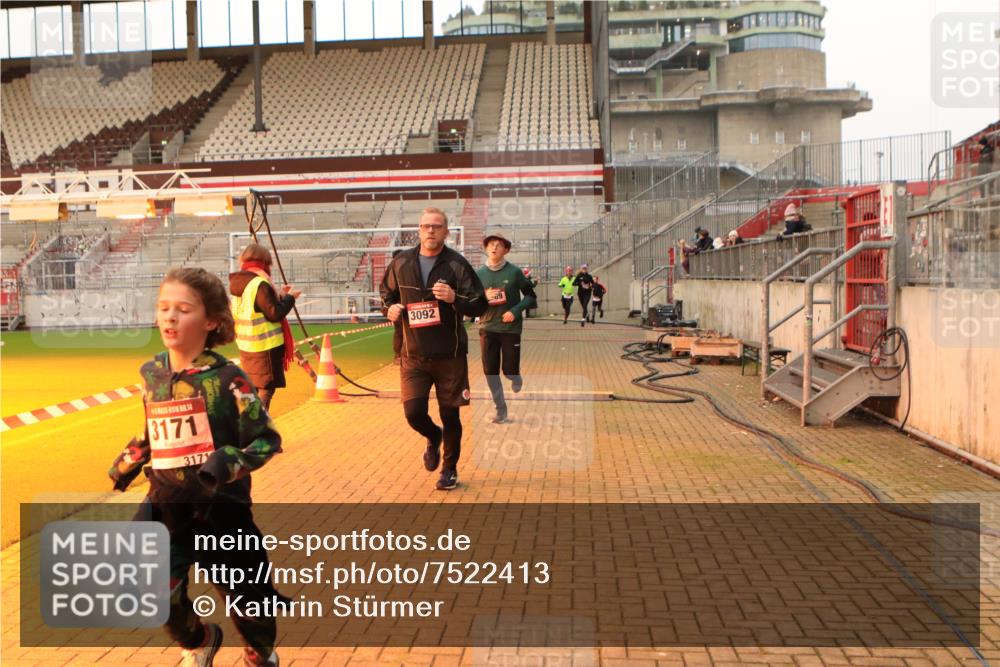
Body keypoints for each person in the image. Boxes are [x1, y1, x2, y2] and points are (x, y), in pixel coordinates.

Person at [109, 268, 283, 667]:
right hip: (166, 502)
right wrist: (131, 457)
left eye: (183, 309)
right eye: (163, 308)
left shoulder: (228, 379)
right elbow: (156, 424)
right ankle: (199, 639)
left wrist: (228, 461)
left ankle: (260, 651)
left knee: (251, 603)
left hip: (221, 509)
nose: (170, 317)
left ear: (212, 322)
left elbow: (267, 439)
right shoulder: (151, 374)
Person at [380, 207, 487, 491]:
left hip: (449, 357)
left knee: (450, 414)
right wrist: (387, 308)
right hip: (411, 354)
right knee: (413, 413)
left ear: (446, 231)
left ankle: (449, 469)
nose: (431, 230)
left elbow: (479, 303)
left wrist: (455, 298)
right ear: (419, 229)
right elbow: (385, 295)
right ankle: (433, 435)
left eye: (437, 226)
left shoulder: (456, 264)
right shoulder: (401, 262)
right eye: (426, 226)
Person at [229, 243, 300, 411]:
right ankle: (257, 425)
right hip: (265, 346)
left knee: (254, 387)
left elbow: (260, 308)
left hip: (247, 345)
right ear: (264, 261)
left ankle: (251, 422)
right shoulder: (259, 283)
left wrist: (280, 295)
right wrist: (290, 298)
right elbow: (274, 313)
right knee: (266, 388)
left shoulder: (240, 282)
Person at [476, 232, 537, 424]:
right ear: (486, 249)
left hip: (510, 329)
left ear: (506, 250)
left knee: (508, 370)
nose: (494, 248)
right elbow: (473, 299)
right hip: (487, 328)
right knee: (490, 371)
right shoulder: (478, 274)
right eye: (491, 244)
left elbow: (530, 297)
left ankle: (515, 376)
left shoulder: (514, 272)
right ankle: (500, 409)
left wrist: (515, 311)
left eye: (498, 245)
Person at [391, 248, 404, 364]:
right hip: (398, 308)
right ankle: (398, 355)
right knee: (400, 331)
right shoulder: (391, 273)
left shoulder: (407, 270)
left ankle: (403, 354)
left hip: (409, 306)